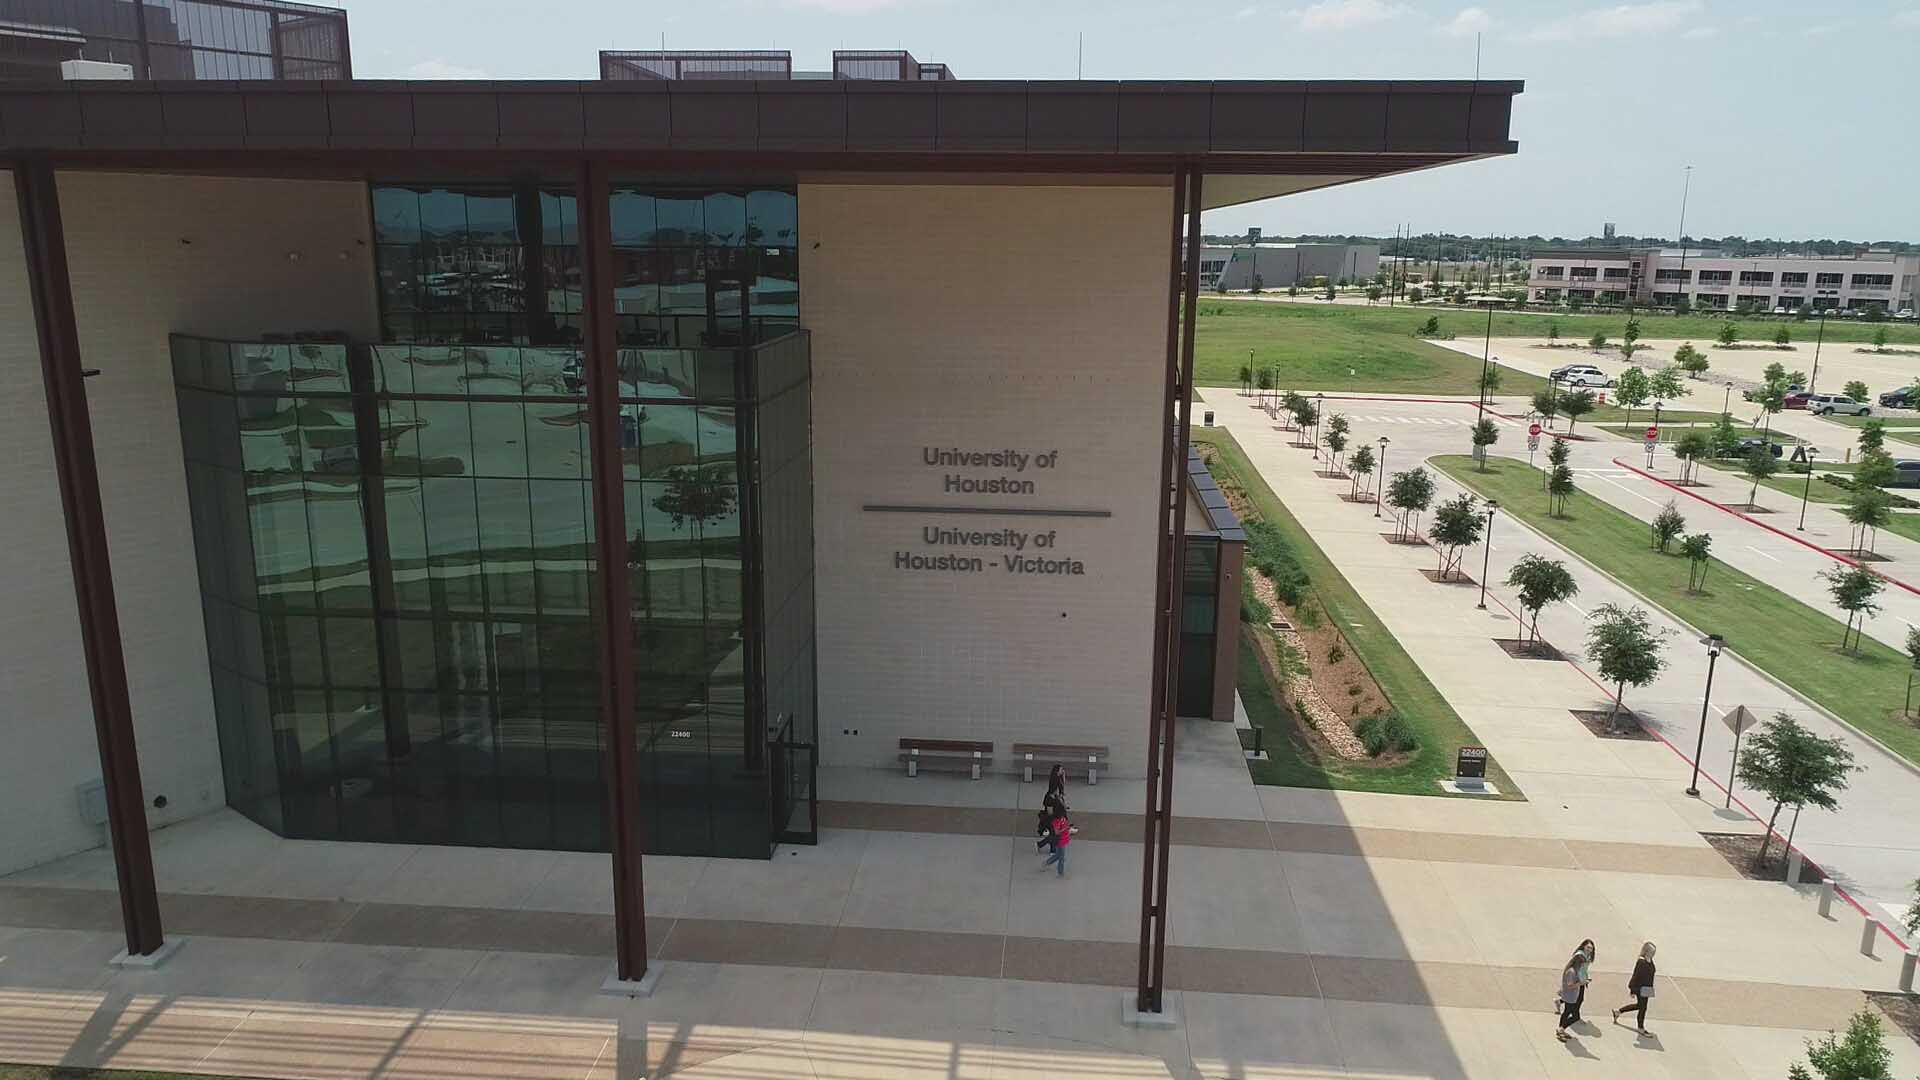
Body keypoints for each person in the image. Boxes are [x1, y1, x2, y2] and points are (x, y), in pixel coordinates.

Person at [1612, 942, 1657, 1035]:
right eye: (1652, 952)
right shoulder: (1641, 961)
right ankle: (1640, 1027)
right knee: (1642, 1008)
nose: (1653, 953)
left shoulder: (1650, 960)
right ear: (1646, 951)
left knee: (1640, 1006)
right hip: (1640, 988)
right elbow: (1635, 975)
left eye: (1654, 952)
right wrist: (1632, 990)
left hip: (1647, 988)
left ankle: (1618, 1012)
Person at [1554, 951, 1584, 1042]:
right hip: (1570, 997)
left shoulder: (1573, 970)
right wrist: (1580, 983)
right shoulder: (1571, 971)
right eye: (1581, 964)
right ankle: (1561, 1029)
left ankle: (1561, 1030)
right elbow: (1570, 985)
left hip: (1571, 996)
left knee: (1566, 1013)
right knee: (1575, 1016)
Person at [1567, 940, 1595, 1025]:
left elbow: (1584, 969)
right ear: (1584, 946)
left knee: (1577, 997)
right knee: (1578, 998)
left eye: (1591, 948)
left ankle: (1560, 1002)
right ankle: (1575, 1016)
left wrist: (1586, 978)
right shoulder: (1579, 955)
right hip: (1577, 979)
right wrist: (1581, 980)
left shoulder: (1588, 955)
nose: (1590, 950)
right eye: (1588, 947)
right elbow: (1577, 968)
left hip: (1582, 978)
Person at [1041, 808, 1071, 877]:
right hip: (1060, 841)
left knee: (1058, 855)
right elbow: (1057, 832)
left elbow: (1065, 823)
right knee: (1061, 857)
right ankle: (1060, 873)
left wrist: (1066, 827)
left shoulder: (1062, 818)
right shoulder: (1056, 821)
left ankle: (1046, 863)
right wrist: (1065, 828)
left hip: (1064, 839)